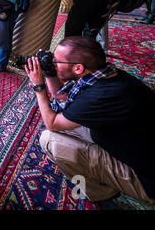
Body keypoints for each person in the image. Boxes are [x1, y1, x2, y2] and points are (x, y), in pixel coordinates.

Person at [24, 36, 155, 204]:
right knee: (67, 125)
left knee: (50, 140)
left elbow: (52, 123)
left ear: (78, 68)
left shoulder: (99, 96)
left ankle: (103, 195)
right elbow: (61, 96)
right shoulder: (106, 75)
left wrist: (39, 87)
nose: (53, 63)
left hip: (145, 179)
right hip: (136, 144)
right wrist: (50, 72)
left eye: (56, 61)